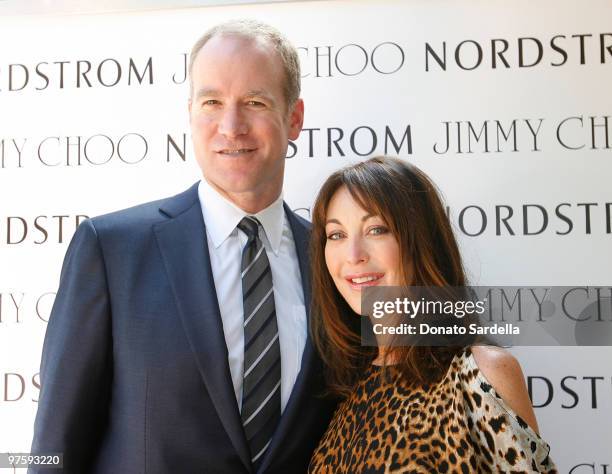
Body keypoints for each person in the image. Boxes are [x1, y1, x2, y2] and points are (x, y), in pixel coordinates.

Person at [30, 20, 336, 474]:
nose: (231, 127)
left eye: (254, 102)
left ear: (294, 118)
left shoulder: (336, 259)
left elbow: (426, 343)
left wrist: (477, 344)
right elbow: (53, 451)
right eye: (212, 102)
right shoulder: (110, 252)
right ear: (190, 112)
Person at [307, 157, 557, 473]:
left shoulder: (480, 373)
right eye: (336, 235)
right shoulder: (345, 388)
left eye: (376, 229)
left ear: (420, 240)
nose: (353, 255)